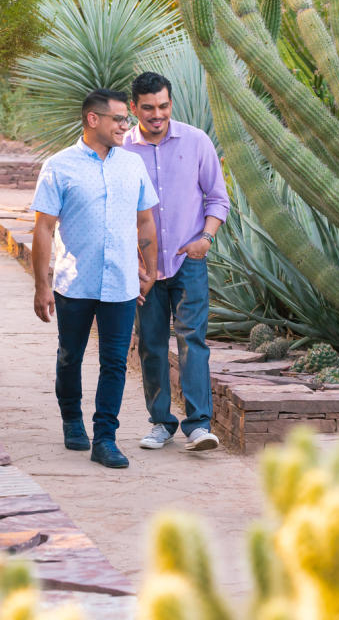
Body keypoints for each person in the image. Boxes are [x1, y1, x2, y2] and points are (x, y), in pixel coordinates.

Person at [31, 89, 159, 469]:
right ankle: (72, 419)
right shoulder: (59, 165)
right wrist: (41, 285)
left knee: (115, 362)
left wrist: (149, 270)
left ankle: (105, 438)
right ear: (93, 120)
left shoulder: (132, 165)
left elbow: (145, 220)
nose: (126, 125)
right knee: (70, 357)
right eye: (119, 118)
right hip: (75, 282)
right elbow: (43, 228)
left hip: (121, 283)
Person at [122, 71, 230, 452]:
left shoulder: (196, 142)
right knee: (151, 344)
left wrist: (206, 238)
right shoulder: (121, 149)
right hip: (142, 268)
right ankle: (161, 423)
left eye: (163, 106)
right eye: (148, 108)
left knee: (192, 341)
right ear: (134, 107)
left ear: (171, 104)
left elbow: (218, 199)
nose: (157, 114)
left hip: (189, 262)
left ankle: (199, 425)